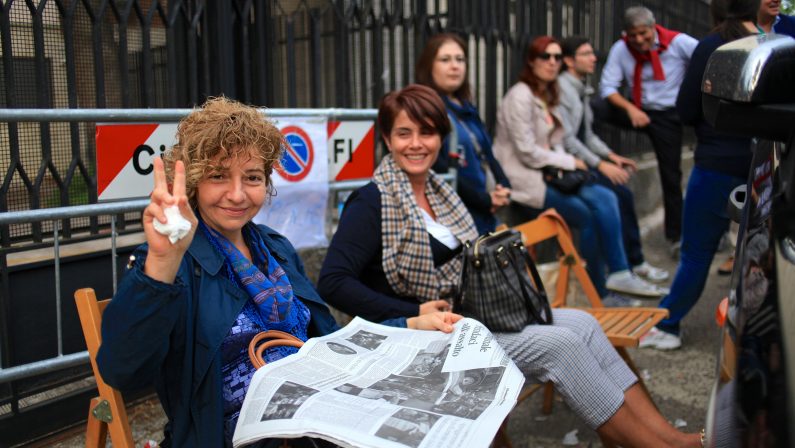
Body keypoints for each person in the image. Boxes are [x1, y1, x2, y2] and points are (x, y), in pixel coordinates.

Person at [318, 84, 702, 447]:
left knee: (583, 323)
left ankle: (671, 438)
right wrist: (413, 313)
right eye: (404, 134)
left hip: (468, 316)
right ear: (386, 139)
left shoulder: (441, 190)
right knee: (561, 347)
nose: (416, 144)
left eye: (427, 132)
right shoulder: (371, 202)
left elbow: (475, 249)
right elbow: (333, 282)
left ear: (440, 138)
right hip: (424, 339)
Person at [95, 97, 461, 447]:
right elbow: (123, 371)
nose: (237, 195)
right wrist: (161, 263)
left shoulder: (276, 248)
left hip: (314, 422)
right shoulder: (173, 259)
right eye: (219, 176)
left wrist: (409, 325)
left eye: (252, 177)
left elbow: (326, 344)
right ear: (193, 181)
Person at [491, 35, 666, 302]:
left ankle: (617, 274)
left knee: (607, 197)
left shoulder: (547, 93)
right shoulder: (520, 96)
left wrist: (580, 163)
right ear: (531, 61)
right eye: (545, 57)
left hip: (552, 175)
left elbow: (558, 141)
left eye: (556, 57)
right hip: (525, 180)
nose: (552, 62)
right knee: (587, 215)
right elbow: (527, 151)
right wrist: (573, 163)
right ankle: (602, 290)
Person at [640, 0, 758, 350]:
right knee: (758, 256)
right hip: (763, 165)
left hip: (716, 162)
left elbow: (686, 108)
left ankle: (669, 325)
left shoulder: (712, 45)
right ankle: (753, 332)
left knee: (696, 253)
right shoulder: (772, 44)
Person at [558, 35, 669, 283]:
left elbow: (587, 135)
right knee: (611, 197)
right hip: (568, 168)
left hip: (581, 163)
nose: (593, 58)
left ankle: (632, 264)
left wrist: (611, 156)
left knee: (623, 193)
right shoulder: (564, 89)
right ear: (569, 60)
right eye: (585, 54)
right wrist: (601, 165)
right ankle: (622, 269)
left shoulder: (579, 88)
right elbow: (568, 140)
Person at [597, 6, 698, 256]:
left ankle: (676, 237)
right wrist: (631, 110)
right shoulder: (622, 48)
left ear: (653, 28)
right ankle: (592, 156)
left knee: (671, 176)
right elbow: (607, 87)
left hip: (667, 115)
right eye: (633, 36)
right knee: (595, 108)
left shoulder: (679, 43)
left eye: (643, 34)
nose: (639, 41)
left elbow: (706, 59)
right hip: (637, 110)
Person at [415, 33, 512, 235]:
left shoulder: (467, 108)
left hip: (485, 210)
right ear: (429, 66)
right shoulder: (425, 109)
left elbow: (487, 153)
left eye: (460, 59)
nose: (455, 66)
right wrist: (483, 200)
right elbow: (438, 168)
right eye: (445, 59)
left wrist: (504, 185)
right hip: (453, 214)